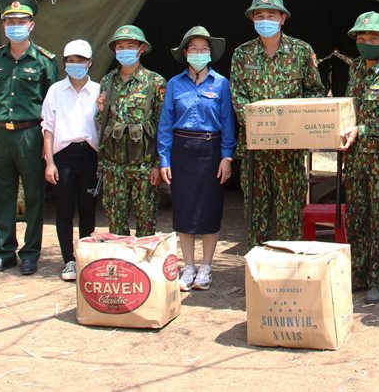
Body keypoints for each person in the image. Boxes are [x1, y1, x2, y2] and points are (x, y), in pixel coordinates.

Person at [230, 0, 325, 248]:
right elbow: (237, 95)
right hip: (255, 150)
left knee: (289, 210)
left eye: (271, 15)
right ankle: (257, 267)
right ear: (252, 20)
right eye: (259, 16)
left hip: (290, 150)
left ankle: (287, 265)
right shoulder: (242, 54)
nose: (265, 20)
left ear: (282, 18)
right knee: (256, 210)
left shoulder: (301, 51)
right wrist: (258, 126)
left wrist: (297, 123)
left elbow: (315, 91)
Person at [0, 0, 58, 276]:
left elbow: (52, 106)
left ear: (31, 25)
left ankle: (30, 253)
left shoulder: (45, 61)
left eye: (21, 21)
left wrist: (48, 145)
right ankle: (4, 252)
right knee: (3, 196)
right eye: (9, 21)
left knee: (35, 196)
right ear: (3, 25)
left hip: (31, 136)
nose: (15, 25)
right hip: (1, 136)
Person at [158, 27, 236, 292]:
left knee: (210, 209)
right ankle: (188, 265)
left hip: (211, 151)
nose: (199, 53)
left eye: (204, 49)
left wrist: (227, 157)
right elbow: (165, 124)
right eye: (194, 49)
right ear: (185, 53)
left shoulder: (221, 83)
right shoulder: (174, 84)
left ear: (211, 54)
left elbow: (227, 122)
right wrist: (164, 158)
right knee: (184, 209)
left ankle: (206, 267)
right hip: (181, 151)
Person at [338, 12, 379, 305]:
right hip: (354, 159)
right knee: (356, 218)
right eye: (361, 39)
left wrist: (362, 129)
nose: (366, 43)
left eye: (373, 38)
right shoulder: (355, 68)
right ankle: (360, 275)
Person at [96, 26, 166, 237]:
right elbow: (103, 123)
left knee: (146, 223)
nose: (124, 50)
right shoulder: (107, 81)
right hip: (113, 166)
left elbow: (162, 126)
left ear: (141, 49)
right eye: (120, 46)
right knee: (116, 224)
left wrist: (157, 164)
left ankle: (143, 267)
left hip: (144, 167)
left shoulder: (155, 82)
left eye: (130, 46)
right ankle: (121, 267)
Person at [42, 39, 100, 282]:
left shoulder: (98, 90)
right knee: (64, 209)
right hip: (63, 155)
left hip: (89, 154)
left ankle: (85, 257)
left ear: (89, 63)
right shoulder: (56, 90)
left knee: (88, 209)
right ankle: (68, 260)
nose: (75, 65)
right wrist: (49, 162)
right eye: (70, 61)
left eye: (80, 61)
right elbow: (47, 127)